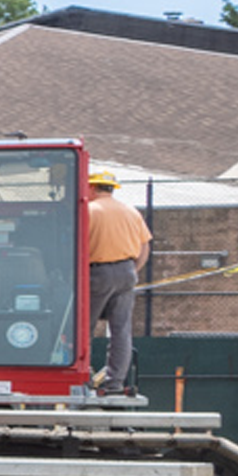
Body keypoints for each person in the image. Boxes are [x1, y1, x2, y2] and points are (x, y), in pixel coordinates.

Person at [84, 165, 150, 389]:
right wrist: (133, 271)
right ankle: (114, 382)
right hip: (127, 271)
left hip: (96, 272)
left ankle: (83, 374)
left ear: (92, 187)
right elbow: (144, 246)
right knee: (120, 330)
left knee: (84, 327)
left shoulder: (89, 211)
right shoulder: (131, 212)